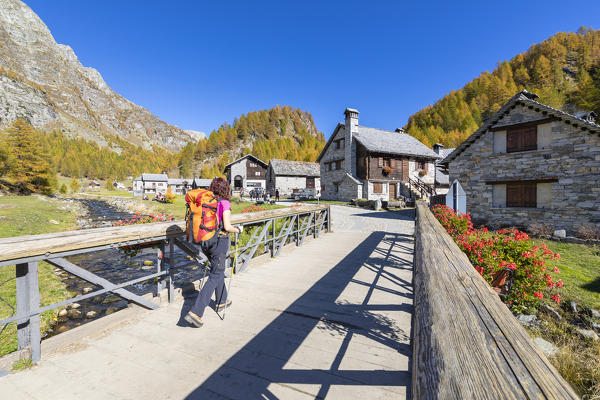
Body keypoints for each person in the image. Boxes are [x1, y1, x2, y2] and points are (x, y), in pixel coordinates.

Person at [184, 177, 243, 328]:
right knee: (216, 274)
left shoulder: (208, 201)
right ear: (226, 189)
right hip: (220, 243)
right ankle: (196, 312)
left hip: (206, 242)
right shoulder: (225, 203)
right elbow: (228, 227)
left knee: (217, 270)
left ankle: (222, 301)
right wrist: (239, 229)